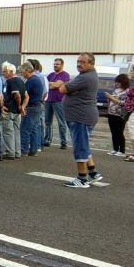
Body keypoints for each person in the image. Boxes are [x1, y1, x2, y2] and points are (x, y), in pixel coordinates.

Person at [48, 52, 103, 188]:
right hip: (83, 115)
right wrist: (68, 89)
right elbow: (65, 88)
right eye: (78, 61)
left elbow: (62, 89)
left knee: (80, 147)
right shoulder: (86, 75)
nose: (79, 64)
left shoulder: (85, 77)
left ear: (91, 63)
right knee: (83, 144)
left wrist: (67, 88)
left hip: (81, 117)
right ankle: (93, 173)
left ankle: (82, 179)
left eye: (83, 62)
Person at [0, 62, 25, 160]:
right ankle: (17, 151)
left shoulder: (10, 81)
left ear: (11, 71)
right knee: (16, 131)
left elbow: (17, 95)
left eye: (5, 71)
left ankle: (10, 152)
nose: (3, 73)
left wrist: (19, 105)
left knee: (8, 132)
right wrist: (21, 107)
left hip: (10, 109)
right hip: (17, 111)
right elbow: (26, 96)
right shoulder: (21, 80)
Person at [44, 58, 70, 149]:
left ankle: (63, 142)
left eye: (57, 64)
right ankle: (47, 140)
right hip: (48, 101)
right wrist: (51, 84)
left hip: (59, 101)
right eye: (54, 64)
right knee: (47, 122)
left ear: (62, 65)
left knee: (61, 122)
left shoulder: (65, 75)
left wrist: (52, 84)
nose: (55, 65)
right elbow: (46, 85)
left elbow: (56, 85)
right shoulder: (50, 75)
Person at [19, 62, 43, 157]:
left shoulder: (31, 80)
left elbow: (24, 94)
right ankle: (33, 150)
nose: (21, 74)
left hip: (31, 107)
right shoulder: (36, 79)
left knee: (25, 129)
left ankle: (24, 150)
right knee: (33, 129)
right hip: (37, 107)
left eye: (22, 72)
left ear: (28, 70)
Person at [104, 74, 129, 157]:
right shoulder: (116, 90)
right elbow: (111, 101)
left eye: (119, 82)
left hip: (120, 114)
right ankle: (115, 149)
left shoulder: (127, 92)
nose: (117, 83)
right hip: (111, 113)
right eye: (116, 82)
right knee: (113, 132)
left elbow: (124, 103)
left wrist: (111, 98)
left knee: (119, 132)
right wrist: (109, 98)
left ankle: (122, 150)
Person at [28, 59, 48, 151]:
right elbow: (45, 91)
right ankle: (39, 145)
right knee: (39, 124)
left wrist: (40, 100)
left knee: (34, 125)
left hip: (35, 103)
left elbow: (43, 92)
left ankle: (36, 145)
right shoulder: (42, 76)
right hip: (40, 102)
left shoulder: (34, 76)